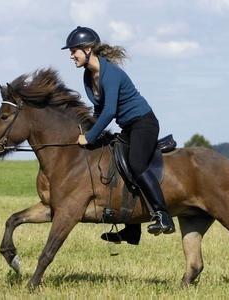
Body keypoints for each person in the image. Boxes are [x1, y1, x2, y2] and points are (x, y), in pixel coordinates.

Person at [62, 26, 175, 243]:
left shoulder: (110, 74)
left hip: (144, 123)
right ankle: (132, 230)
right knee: (117, 165)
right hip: (128, 128)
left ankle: (163, 216)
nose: (71, 55)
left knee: (136, 164)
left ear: (87, 50)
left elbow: (110, 111)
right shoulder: (88, 76)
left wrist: (91, 136)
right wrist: (86, 131)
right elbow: (98, 110)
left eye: (73, 50)